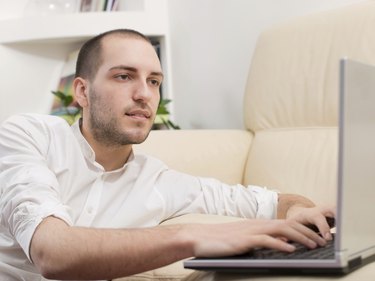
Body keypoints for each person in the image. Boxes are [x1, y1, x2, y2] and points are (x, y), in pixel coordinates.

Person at [0, 29, 335, 281]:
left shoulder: (159, 182)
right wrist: (192, 236)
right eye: (124, 76)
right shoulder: (27, 136)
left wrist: (301, 214)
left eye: (154, 81)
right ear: (82, 91)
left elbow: (273, 202)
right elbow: (52, 253)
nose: (144, 94)